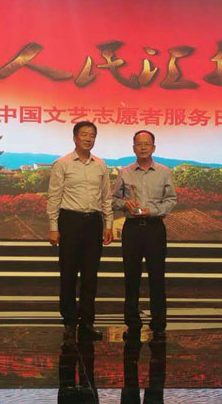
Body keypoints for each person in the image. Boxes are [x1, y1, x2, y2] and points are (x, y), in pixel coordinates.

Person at [47, 121, 114, 341]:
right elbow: (54, 198)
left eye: (92, 135)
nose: (88, 138)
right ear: (75, 138)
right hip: (70, 222)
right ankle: (69, 322)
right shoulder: (62, 164)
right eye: (84, 134)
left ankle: (87, 322)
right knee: (68, 274)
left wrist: (108, 224)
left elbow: (106, 198)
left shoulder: (101, 165)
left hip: (93, 223)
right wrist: (54, 228)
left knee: (90, 276)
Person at [111, 130, 177, 341]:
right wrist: (125, 204)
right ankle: (132, 323)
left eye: (147, 143)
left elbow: (171, 200)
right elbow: (113, 200)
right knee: (131, 277)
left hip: (155, 228)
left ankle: (158, 324)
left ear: (153, 147)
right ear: (133, 148)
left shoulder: (164, 172)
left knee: (157, 277)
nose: (143, 147)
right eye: (139, 144)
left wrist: (153, 211)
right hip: (132, 229)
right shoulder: (125, 172)